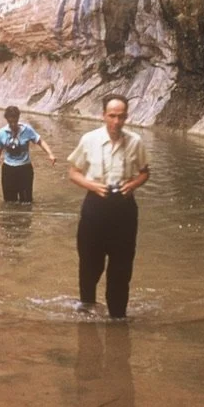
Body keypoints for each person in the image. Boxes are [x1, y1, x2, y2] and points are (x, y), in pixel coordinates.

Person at [67, 94, 150, 319]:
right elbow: (73, 173)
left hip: (124, 208)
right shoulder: (89, 139)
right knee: (90, 262)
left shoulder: (135, 141)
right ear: (103, 115)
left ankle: (118, 317)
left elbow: (145, 173)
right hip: (95, 205)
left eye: (121, 117)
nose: (116, 122)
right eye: (112, 116)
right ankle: (87, 307)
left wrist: (132, 184)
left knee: (122, 267)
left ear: (126, 117)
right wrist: (92, 186)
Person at [0, 105, 56, 202]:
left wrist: (50, 154)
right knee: (9, 202)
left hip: (25, 169)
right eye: (10, 122)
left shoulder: (27, 130)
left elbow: (40, 141)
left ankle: (26, 217)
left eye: (14, 121)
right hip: (8, 169)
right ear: (6, 119)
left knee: (26, 201)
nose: (12, 124)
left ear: (18, 118)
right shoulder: (1, 133)